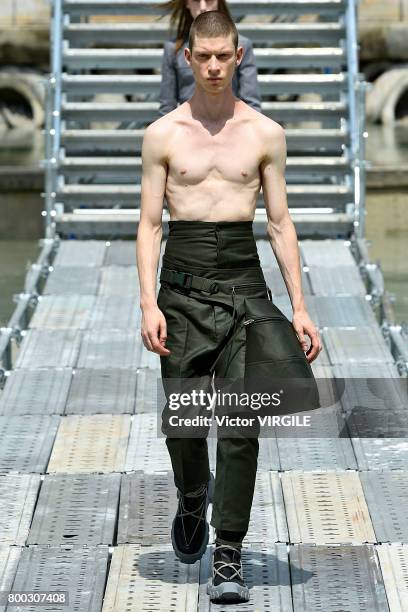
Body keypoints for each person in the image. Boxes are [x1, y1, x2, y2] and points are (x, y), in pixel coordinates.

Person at [136, 10, 322, 604]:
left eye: (224, 55)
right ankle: (194, 494)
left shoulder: (264, 133)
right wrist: (147, 303)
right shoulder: (163, 134)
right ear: (185, 58)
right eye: (203, 56)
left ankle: (229, 554)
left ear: (238, 56)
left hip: (243, 281)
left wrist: (300, 306)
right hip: (182, 283)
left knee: (242, 423)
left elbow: (280, 222)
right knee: (185, 421)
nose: (214, 66)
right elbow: (148, 225)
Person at [157, 0, 262, 115]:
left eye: (208, 0)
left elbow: (251, 104)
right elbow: (167, 107)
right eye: (196, 0)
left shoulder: (241, 44)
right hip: (188, 129)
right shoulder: (174, 49)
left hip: (232, 126)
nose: (203, 7)